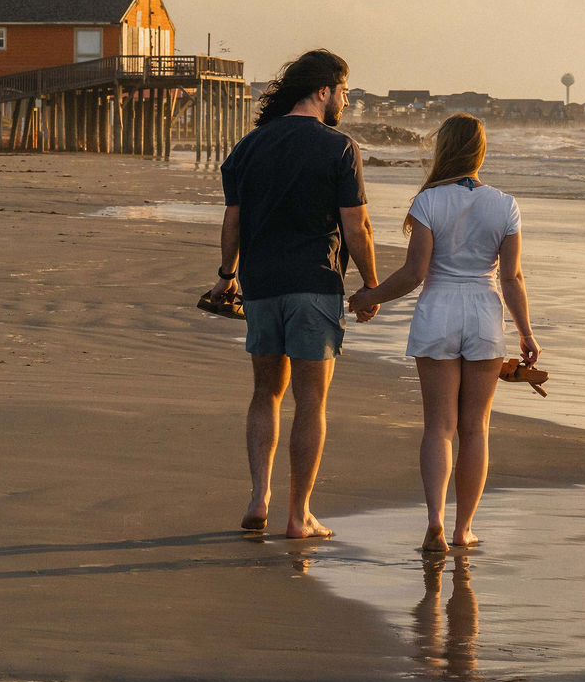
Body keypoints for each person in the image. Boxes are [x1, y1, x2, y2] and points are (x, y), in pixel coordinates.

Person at [212, 49, 379, 539]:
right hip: (314, 286)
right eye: (344, 91)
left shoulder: (248, 146)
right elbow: (357, 225)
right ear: (324, 90)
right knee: (311, 402)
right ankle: (298, 513)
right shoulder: (339, 147)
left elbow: (233, 219)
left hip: (261, 289)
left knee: (265, 392)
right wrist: (371, 285)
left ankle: (258, 495)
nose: (345, 100)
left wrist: (228, 274)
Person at [351, 115, 537, 553]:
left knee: (439, 426)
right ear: (481, 151)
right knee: (476, 428)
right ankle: (462, 529)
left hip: (438, 311)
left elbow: (415, 273)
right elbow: (512, 277)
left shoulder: (428, 202)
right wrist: (526, 333)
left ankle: (435, 519)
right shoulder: (505, 204)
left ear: (444, 150)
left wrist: (369, 296)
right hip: (484, 313)